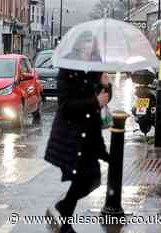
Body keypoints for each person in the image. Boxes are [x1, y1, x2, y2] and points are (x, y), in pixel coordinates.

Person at [44, 69, 111, 233]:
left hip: (87, 137)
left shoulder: (94, 71)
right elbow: (66, 106)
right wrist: (95, 102)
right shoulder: (66, 73)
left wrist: (106, 85)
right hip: (69, 138)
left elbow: (104, 98)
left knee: (91, 179)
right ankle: (64, 219)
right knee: (84, 179)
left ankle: (64, 209)